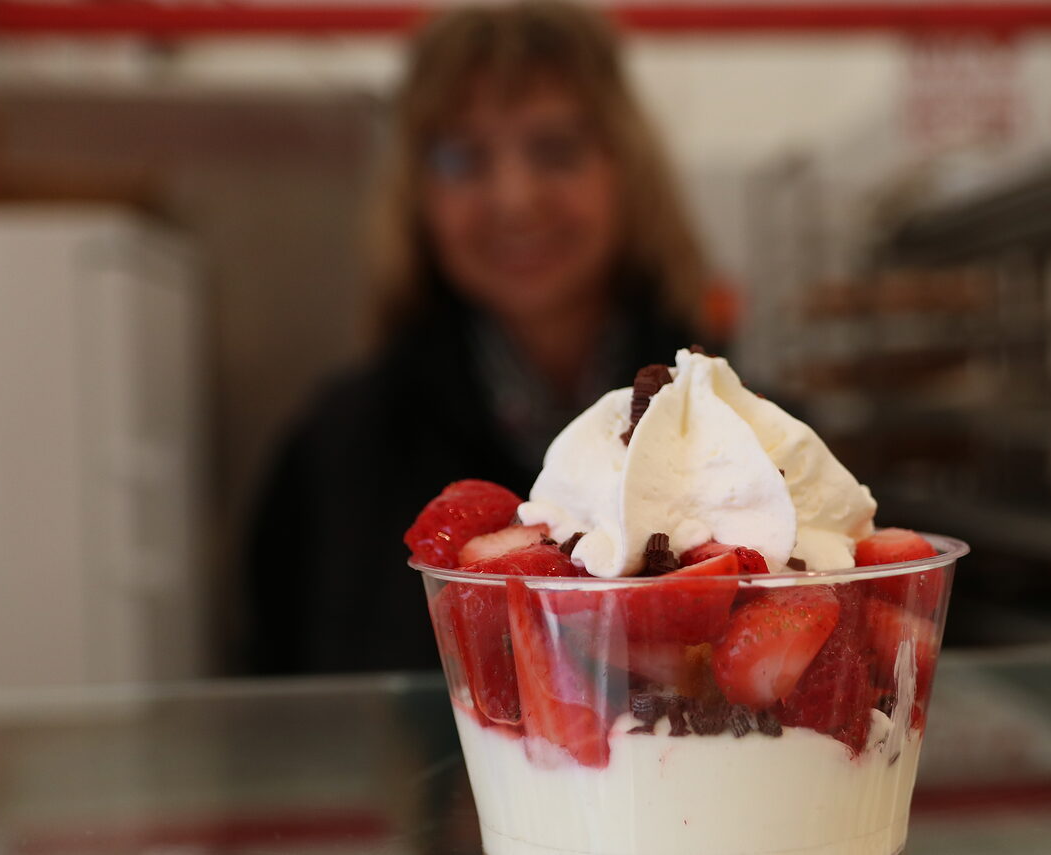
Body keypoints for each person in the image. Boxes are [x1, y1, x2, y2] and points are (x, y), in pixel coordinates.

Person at [244, 1, 708, 674]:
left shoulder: (747, 444)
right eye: (464, 158)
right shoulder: (333, 453)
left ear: (627, 172)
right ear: (417, 194)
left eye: (556, 149)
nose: (516, 197)